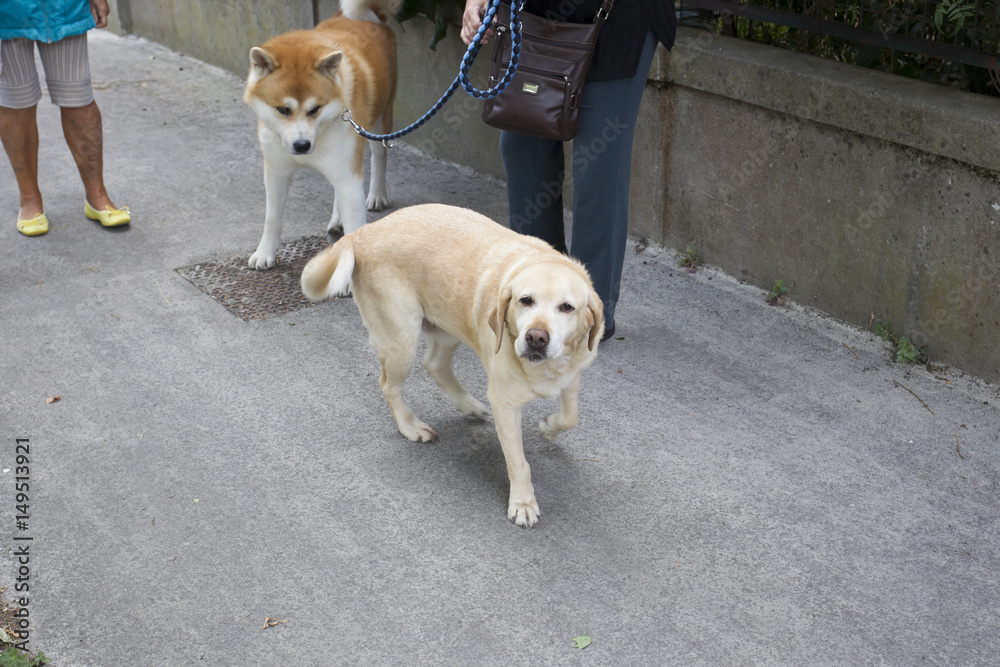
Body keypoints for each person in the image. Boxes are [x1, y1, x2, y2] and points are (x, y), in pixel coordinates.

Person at [462, 0, 675, 341]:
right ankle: (536, 292)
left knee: (598, 169)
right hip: (534, 13)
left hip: (619, 19)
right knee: (520, 148)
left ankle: (588, 314)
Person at [0, 0, 129, 237]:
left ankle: (97, 196)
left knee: (79, 100)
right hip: (6, 14)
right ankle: (30, 199)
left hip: (64, 8)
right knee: (16, 104)